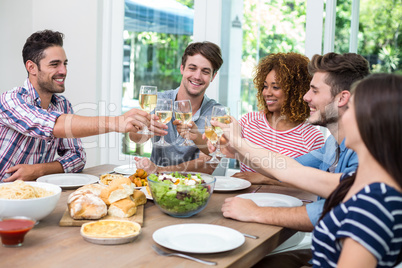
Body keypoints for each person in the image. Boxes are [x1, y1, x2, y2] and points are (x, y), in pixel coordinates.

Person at [211, 52, 370, 267]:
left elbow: (326, 209)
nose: (305, 97)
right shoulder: (331, 145)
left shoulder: (364, 153)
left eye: (314, 90)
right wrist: (237, 147)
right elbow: (286, 167)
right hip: (325, 251)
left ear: (342, 98)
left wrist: (256, 212)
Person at [0, 30, 151, 182]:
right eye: (54, 64)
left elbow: (77, 157)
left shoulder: (62, 105)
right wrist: (117, 122)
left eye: (64, 64)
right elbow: (53, 125)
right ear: (31, 67)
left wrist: (38, 170)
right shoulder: (10, 100)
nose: (63, 71)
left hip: (36, 195)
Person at [311, 73, 402, 267]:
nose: (343, 114)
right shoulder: (373, 185)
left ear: (374, 122)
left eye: (351, 107)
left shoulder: (374, 203)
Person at [131, 41, 223, 174]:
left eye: (205, 71)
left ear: (213, 76)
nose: (197, 76)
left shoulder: (217, 113)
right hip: (156, 187)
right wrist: (142, 128)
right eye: (192, 68)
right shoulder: (160, 100)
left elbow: (209, 163)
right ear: (182, 69)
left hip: (196, 188)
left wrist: (160, 170)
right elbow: (135, 138)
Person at [231, 52, 324, 182]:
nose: (267, 93)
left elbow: (312, 184)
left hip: (286, 202)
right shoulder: (249, 122)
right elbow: (221, 150)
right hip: (244, 199)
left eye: (275, 87)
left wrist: (264, 179)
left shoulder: (312, 138)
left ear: (295, 91)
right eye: (265, 86)